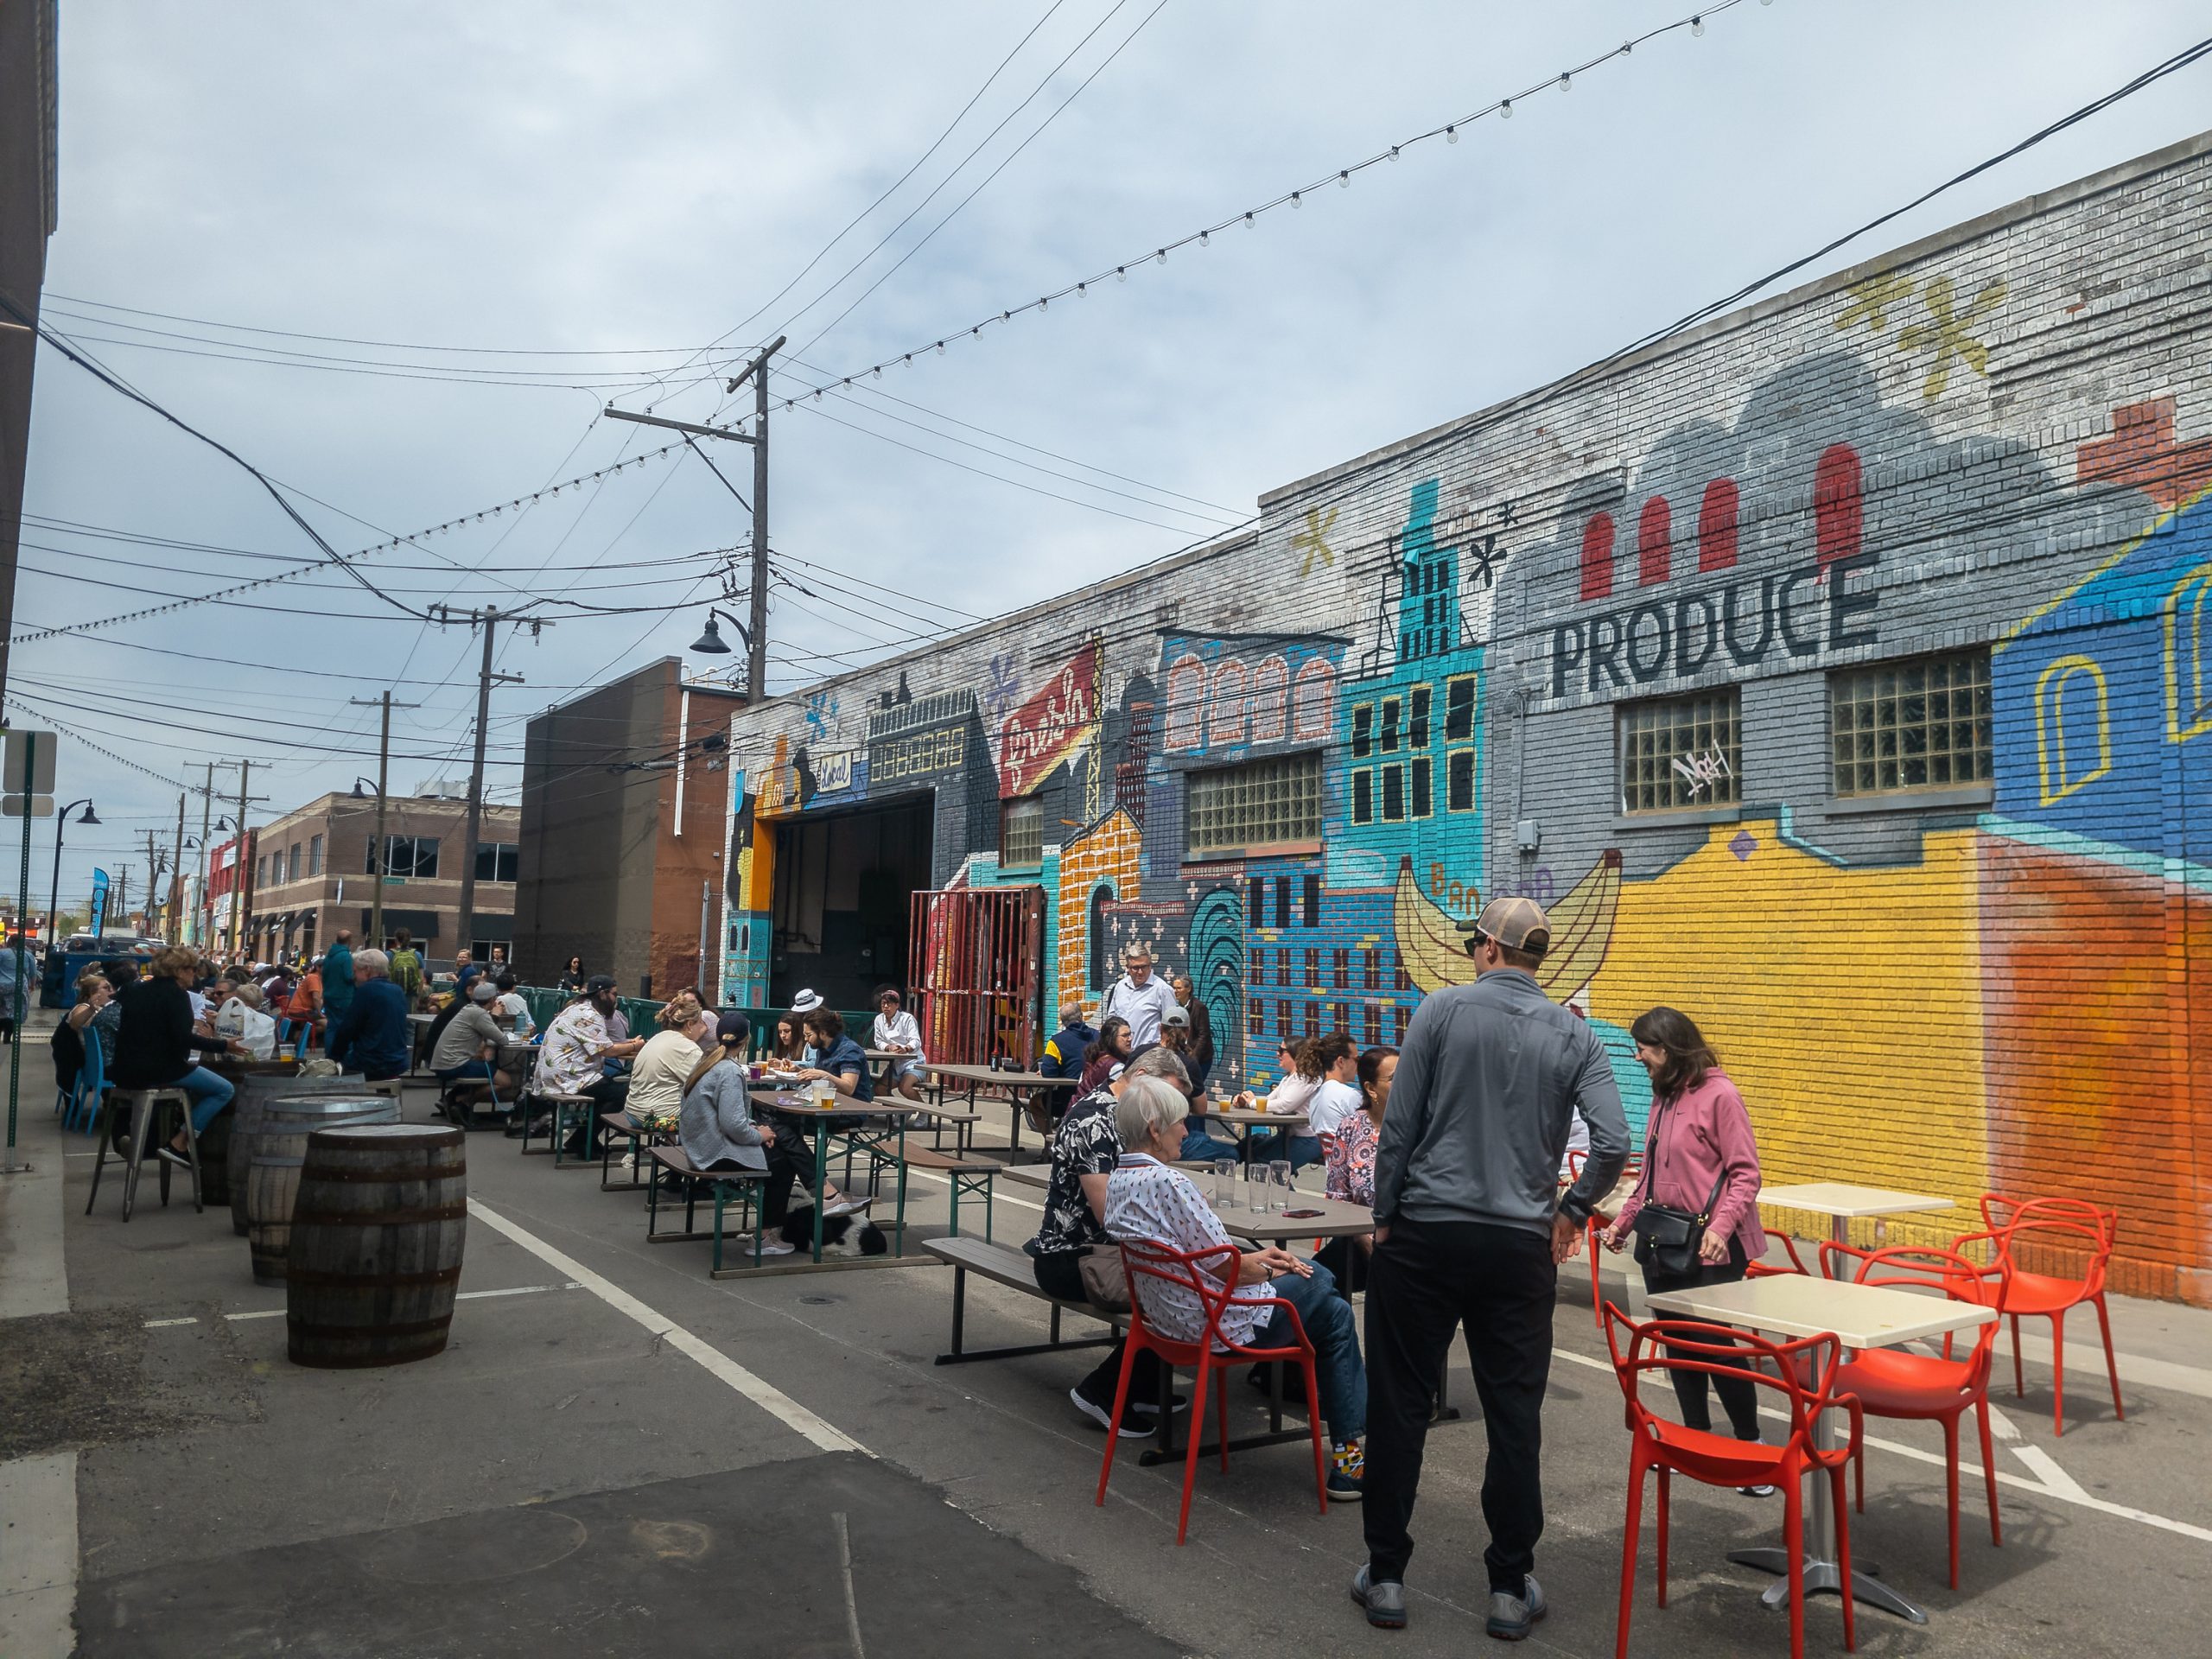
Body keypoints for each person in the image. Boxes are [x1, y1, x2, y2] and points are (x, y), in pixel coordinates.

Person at [1353, 894, 1630, 1640]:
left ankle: (1386, 1576)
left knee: (1401, 1402)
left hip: (1426, 1235)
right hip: (1517, 1245)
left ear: (1488, 950)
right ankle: (1509, 1587)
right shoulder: (1577, 1036)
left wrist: (1383, 1216)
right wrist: (1573, 1209)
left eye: (1474, 942)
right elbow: (1613, 1144)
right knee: (1513, 1416)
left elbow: (1400, 1125)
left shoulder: (1440, 1012)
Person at [1106, 1073, 1367, 1500]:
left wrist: (1259, 1261)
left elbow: (1202, 1259)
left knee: (1330, 1309)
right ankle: (1350, 1456)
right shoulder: (1172, 1183)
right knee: (1325, 1285)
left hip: (1163, 1319)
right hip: (1213, 1323)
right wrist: (1267, 1269)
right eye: (1179, 1123)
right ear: (1155, 1130)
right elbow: (1225, 1268)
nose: (1186, 1131)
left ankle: (1349, 1455)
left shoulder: (1119, 1179)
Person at [1602, 1007, 1772, 1491]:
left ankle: (1750, 1447)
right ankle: (1696, 1436)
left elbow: (1746, 1173)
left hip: (1715, 1245)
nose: (1638, 1057)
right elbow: (1650, 1178)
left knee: (1716, 1345)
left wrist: (1721, 1227)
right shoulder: (1664, 1096)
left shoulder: (1720, 1095)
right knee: (1677, 1343)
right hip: (1665, 1240)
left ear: (1669, 1047)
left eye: (1644, 1048)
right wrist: (1624, 1222)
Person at [1027, 1044, 1194, 1434]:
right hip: (1070, 1258)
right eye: (1166, 1099)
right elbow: (1111, 1216)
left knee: (1185, 1272)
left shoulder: (1124, 1116)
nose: (1170, 1113)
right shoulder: (1093, 1120)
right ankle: (1103, 1390)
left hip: (1105, 1252)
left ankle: (1144, 1384)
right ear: (1138, 1080)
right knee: (1174, 1288)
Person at [678, 1012, 797, 1257]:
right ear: (746, 1040)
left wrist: (755, 1129)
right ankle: (764, 1238)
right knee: (783, 1164)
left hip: (697, 1145)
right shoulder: (730, 1071)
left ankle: (821, 1190)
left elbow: (728, 1117)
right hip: (713, 1152)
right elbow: (733, 1124)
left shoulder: (706, 1061)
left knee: (780, 1142)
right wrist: (759, 1136)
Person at [111, 946, 245, 1162]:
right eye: (193, 969)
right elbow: (183, 1039)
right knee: (223, 1089)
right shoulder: (177, 995)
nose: (196, 974)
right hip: (159, 1070)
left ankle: (147, 1141)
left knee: (193, 1084)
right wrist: (223, 1045)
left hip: (123, 1069)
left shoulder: (136, 990)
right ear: (180, 971)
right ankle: (180, 1142)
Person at [1316, 1046, 1397, 1300]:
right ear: (1371, 1088)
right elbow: (1337, 1194)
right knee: (1314, 1281)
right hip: (1360, 1238)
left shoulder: (1421, 1125)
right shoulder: (1351, 1127)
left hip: (1409, 1242)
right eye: (1395, 1078)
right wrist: (1363, 1239)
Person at [528, 976, 646, 1151]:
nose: (616, 999)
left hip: (556, 1074)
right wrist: (635, 1045)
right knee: (624, 1092)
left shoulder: (576, 1009)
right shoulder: (590, 1016)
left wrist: (629, 1043)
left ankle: (583, 1140)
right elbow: (608, 1051)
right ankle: (584, 1141)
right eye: (614, 994)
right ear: (602, 994)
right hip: (568, 1077)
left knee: (607, 1089)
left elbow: (601, 1043)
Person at [430, 978, 515, 1114]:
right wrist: (496, 1015)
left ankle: (449, 1098)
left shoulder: (469, 1009)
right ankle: (463, 1102)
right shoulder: (480, 1014)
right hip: (453, 1064)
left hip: (442, 1062)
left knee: (484, 1066)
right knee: (505, 1080)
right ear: (493, 999)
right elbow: (503, 1040)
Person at [627, 990, 710, 1128]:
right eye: (700, 1022)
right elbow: (708, 1084)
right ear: (690, 1024)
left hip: (633, 1111)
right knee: (716, 1114)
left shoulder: (658, 1037)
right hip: (654, 1116)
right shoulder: (687, 1047)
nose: (703, 1027)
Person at [327, 949, 410, 1083]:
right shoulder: (398, 991)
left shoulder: (366, 991)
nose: (353, 977)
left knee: (330, 1074)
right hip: (398, 1061)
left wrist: (332, 1058)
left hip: (372, 1063)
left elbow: (347, 1029)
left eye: (355, 971)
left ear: (367, 969)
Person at [1100, 944, 1176, 1046]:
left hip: (1148, 1055)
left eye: (1144, 967)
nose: (1140, 972)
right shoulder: (1121, 986)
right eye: (1135, 968)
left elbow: (1172, 1027)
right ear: (1127, 967)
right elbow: (1112, 1019)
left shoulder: (1162, 989)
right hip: (1121, 1054)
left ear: (1150, 966)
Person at [869, 985, 926, 1102]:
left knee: (905, 1088)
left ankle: (923, 1113)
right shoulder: (879, 1019)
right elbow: (878, 1041)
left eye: (889, 1004)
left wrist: (906, 1049)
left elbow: (916, 1040)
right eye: (883, 1004)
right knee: (880, 1089)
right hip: (896, 1064)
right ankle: (899, 1112)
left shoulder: (907, 1019)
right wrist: (888, 1047)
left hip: (913, 1062)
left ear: (897, 1005)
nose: (886, 1007)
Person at [1170, 974, 1215, 1092]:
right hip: (1183, 1056)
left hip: (1200, 1058)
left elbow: (1204, 1035)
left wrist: (1194, 1058)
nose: (1176, 991)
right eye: (1174, 988)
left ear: (1188, 989)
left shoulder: (1199, 1008)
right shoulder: (1176, 1007)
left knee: (1193, 1088)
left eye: (1179, 988)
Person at [279, 958, 324, 1061]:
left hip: (301, 1009)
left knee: (318, 1023)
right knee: (328, 1024)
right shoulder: (314, 978)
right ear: (318, 967)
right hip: (301, 1010)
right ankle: (301, 1036)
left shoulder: (317, 978)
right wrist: (320, 1013)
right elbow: (316, 998)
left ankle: (300, 1034)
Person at [1040, 1001, 1096, 1083]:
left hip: (1067, 1093)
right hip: (1096, 1091)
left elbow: (1048, 1072)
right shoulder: (1098, 1036)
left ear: (1062, 1021)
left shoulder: (1055, 1042)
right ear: (1081, 1016)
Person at [1077, 1015, 1132, 1094]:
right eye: (1125, 1035)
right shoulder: (1116, 1067)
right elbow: (1127, 1095)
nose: (1130, 1039)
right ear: (1111, 1039)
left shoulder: (1094, 1058)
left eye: (1130, 1034)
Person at [321, 929, 355, 1050]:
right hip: (343, 997)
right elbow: (349, 977)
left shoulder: (329, 956)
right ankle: (346, 1055)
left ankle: (330, 1054)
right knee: (346, 1026)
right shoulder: (346, 956)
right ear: (349, 941)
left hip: (329, 996)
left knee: (332, 1027)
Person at [0, 931, 33, 1044]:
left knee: (2, 1011)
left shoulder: (2, 953)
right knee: (15, 1013)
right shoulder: (28, 955)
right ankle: (7, 1038)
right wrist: (32, 986)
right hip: (19, 987)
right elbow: (33, 973)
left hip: (2, 987)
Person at [387, 931, 428, 1008]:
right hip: (411, 994)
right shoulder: (417, 955)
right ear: (409, 940)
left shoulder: (389, 954)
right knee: (409, 1017)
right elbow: (421, 979)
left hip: (394, 993)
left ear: (396, 940)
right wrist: (418, 998)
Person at [492, 971, 535, 1039]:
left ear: (498, 988)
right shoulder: (521, 999)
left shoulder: (500, 1000)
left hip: (510, 1035)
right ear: (513, 987)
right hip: (525, 1035)